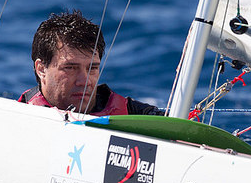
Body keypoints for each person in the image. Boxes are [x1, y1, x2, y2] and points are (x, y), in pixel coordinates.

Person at [18, 10, 162, 116]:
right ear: (41, 69)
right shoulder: (14, 116)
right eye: (70, 68)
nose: (85, 81)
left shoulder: (133, 115)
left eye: (92, 68)